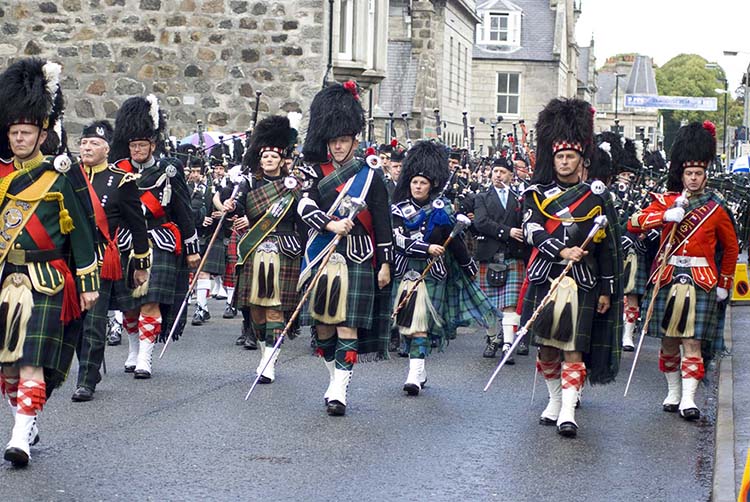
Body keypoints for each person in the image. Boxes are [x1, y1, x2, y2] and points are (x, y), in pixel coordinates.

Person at [0, 58, 100, 466]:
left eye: (26, 132)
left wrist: (89, 281)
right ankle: (27, 421)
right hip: (8, 277)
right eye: (13, 132)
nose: (19, 139)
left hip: (48, 279)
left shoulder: (61, 175)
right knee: (7, 369)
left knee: (31, 363)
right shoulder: (3, 175)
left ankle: (19, 437)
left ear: (42, 133)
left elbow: (81, 229)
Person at [521, 98, 623, 438]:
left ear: (582, 161)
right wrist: (562, 250)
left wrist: (608, 289)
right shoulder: (536, 194)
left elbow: (608, 249)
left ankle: (568, 410)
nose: (564, 162)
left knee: (573, 348)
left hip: (584, 282)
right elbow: (533, 231)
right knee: (547, 347)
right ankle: (553, 400)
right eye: (560, 157)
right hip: (547, 278)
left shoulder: (597, 198)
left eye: (570, 157)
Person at [627, 121, 738, 421]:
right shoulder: (666, 201)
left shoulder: (716, 206)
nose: (692, 178)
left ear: (705, 175)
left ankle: (689, 398)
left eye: (698, 174)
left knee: (693, 342)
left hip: (702, 281)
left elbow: (731, 248)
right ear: (682, 174)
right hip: (668, 276)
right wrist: (665, 215)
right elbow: (633, 222)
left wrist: (725, 283)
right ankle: (673, 392)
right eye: (688, 173)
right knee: (668, 341)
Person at [297, 81, 393, 416]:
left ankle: (340, 387)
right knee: (323, 325)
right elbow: (303, 207)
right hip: (324, 254)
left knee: (347, 323)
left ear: (354, 140)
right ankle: (333, 376)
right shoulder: (314, 172)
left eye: (343, 140)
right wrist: (330, 224)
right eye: (333, 141)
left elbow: (383, 221)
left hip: (359, 254)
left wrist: (385, 263)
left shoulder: (371, 176)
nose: (337, 147)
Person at [109, 95, 200, 379]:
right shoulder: (118, 172)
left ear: (153, 145)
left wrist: (191, 247)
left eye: (141, 145)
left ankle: (145, 358)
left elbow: (183, 210)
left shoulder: (168, 171)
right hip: (127, 241)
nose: (136, 150)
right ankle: (133, 349)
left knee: (150, 301)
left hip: (160, 239)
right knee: (129, 304)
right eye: (133, 145)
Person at [390, 140, 491, 396]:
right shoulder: (399, 209)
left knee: (421, 323)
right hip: (406, 269)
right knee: (406, 323)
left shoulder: (442, 208)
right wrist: (426, 248)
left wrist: (466, 263)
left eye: (423, 183)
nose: (418, 186)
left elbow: (453, 239)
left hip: (433, 271)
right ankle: (420, 368)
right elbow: (398, 239)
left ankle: (413, 373)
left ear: (432, 184)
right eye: (414, 182)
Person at [72, 120, 151, 402]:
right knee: (74, 322)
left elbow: (138, 225)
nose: (87, 148)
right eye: (83, 143)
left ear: (106, 149)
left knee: (94, 321)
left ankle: (86, 379)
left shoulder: (121, 181)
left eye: (94, 143)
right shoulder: (69, 177)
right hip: (69, 259)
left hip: (100, 258)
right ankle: (87, 368)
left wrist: (141, 264)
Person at [227, 115, 303, 383]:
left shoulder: (294, 186)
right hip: (254, 249)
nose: (268, 160)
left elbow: (300, 221)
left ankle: (269, 361)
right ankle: (264, 351)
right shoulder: (249, 184)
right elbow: (237, 209)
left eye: (273, 156)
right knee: (257, 311)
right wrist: (232, 209)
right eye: (265, 156)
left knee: (275, 309)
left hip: (284, 249)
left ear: (282, 159)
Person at [473, 157, 527, 361]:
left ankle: (507, 345)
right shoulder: (482, 197)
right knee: (488, 304)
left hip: (513, 255)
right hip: (490, 255)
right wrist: (508, 231)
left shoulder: (519, 199)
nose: (498, 175)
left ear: (511, 176)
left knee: (510, 304)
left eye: (503, 172)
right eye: (495, 171)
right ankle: (493, 339)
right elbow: (481, 222)